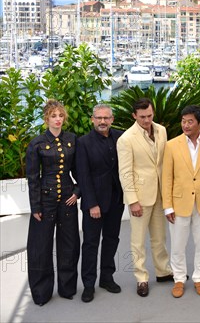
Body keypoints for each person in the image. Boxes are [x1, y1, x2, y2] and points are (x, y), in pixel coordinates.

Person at [162, 105, 200, 298]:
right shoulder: (172, 145)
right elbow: (167, 178)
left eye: (190, 121)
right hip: (179, 203)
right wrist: (168, 206)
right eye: (183, 121)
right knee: (178, 245)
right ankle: (179, 279)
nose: (185, 125)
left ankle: (199, 278)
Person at [26, 99, 80, 306]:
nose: (58, 120)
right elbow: (32, 177)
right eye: (53, 116)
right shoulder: (37, 143)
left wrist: (77, 192)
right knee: (40, 247)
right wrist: (35, 206)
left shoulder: (72, 140)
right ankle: (41, 292)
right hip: (45, 200)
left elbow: (79, 171)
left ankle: (67, 288)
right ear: (46, 118)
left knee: (70, 244)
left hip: (67, 199)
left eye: (60, 116)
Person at [117, 98, 172, 297]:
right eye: (142, 117)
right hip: (140, 197)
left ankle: (163, 271)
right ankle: (141, 278)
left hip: (160, 194)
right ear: (134, 116)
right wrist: (132, 200)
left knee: (160, 237)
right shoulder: (126, 139)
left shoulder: (162, 130)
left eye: (149, 115)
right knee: (138, 240)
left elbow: (163, 162)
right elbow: (125, 172)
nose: (147, 120)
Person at [77, 104, 125, 303]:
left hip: (116, 200)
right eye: (99, 118)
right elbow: (82, 176)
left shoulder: (122, 137)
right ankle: (88, 284)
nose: (102, 121)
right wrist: (91, 204)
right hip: (94, 203)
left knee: (112, 239)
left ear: (112, 119)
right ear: (92, 119)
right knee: (90, 244)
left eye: (106, 118)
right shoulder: (83, 143)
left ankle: (107, 277)